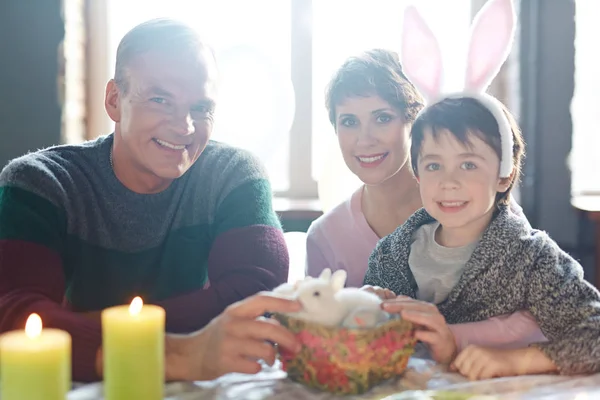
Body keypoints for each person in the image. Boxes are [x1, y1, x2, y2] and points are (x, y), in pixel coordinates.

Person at [0, 18, 293, 382]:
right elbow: (13, 317)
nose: (184, 126)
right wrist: (183, 352)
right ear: (114, 100)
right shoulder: (41, 182)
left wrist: (80, 330)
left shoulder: (233, 174)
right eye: (160, 99)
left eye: (200, 107)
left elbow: (258, 296)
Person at [305, 49, 543, 358]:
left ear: (415, 120)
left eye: (382, 118)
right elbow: (316, 339)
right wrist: (356, 314)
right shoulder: (326, 237)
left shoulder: (479, 205)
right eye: (349, 121)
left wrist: (447, 335)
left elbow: (543, 318)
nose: (365, 139)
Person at [365, 95, 600, 380]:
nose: (448, 181)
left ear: (504, 175)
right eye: (433, 166)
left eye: (468, 165)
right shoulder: (389, 254)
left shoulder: (531, 258)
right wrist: (361, 308)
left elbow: (594, 334)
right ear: (417, 174)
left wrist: (515, 361)